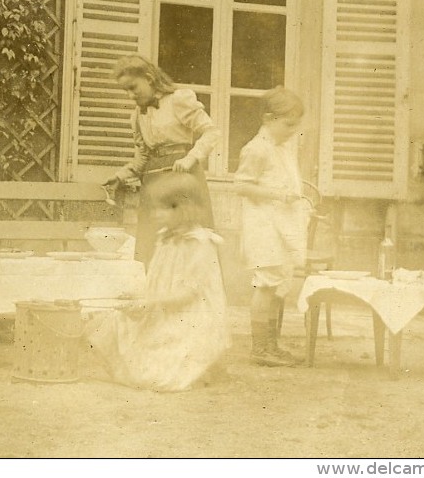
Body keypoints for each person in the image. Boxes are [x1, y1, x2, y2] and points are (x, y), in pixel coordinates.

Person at [85, 171, 230, 392]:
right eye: (155, 209)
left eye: (166, 208)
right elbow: (156, 282)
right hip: (163, 309)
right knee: (111, 323)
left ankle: (202, 368)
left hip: (190, 317)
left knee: (157, 375)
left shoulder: (199, 243)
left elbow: (188, 294)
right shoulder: (165, 239)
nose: (157, 214)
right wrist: (138, 298)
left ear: (186, 208)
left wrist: (151, 303)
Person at [104, 55, 219, 268]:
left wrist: (191, 158)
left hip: (182, 178)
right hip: (153, 183)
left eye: (133, 88)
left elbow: (211, 132)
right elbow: (143, 156)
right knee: (152, 247)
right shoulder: (137, 115)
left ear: (149, 78)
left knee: (188, 246)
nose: (130, 95)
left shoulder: (178, 100)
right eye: (125, 91)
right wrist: (122, 175)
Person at [233, 86, 309, 367]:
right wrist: (279, 195)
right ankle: (260, 348)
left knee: (278, 284)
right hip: (263, 225)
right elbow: (241, 185)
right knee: (265, 285)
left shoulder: (282, 148)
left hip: (281, 224)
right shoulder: (256, 149)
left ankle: (271, 346)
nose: (292, 131)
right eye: (288, 124)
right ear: (268, 118)